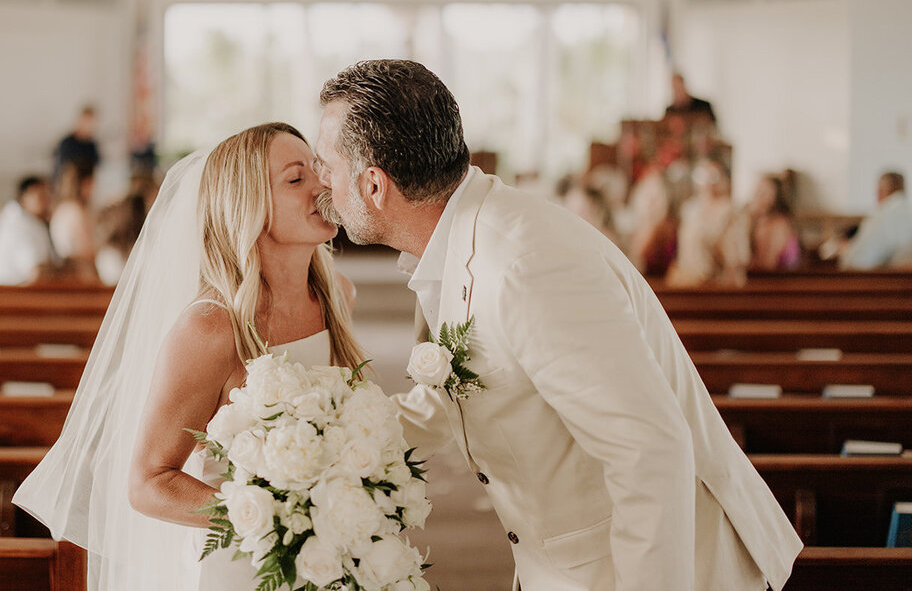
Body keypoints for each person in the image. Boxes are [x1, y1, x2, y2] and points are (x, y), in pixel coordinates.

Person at [314, 60, 801, 591]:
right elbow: (461, 391)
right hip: (570, 565)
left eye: (326, 165)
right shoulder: (458, 242)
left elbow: (649, 451)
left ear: (374, 185)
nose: (321, 180)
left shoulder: (526, 266)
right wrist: (312, 441)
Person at [13, 122, 366, 591]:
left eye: (318, 171)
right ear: (249, 205)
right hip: (251, 562)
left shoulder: (338, 296)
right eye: (296, 178)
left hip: (336, 552)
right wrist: (272, 517)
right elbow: (148, 482)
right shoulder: (211, 327)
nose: (322, 186)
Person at [666, 158, 750, 287]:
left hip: (714, 284)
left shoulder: (730, 212)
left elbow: (734, 257)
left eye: (713, 177)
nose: (708, 183)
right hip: (687, 281)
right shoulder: (690, 208)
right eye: (703, 177)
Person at [0, 175, 59, 286]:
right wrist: (62, 268)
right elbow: (36, 272)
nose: (47, 202)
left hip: (9, 292)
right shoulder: (20, 223)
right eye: (41, 197)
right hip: (9, 295)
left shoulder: (23, 218)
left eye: (48, 196)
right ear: (23, 198)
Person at [841, 171, 912, 269]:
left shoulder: (884, 213)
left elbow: (858, 261)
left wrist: (845, 251)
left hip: (886, 279)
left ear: (881, 191)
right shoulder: (907, 209)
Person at [748, 174, 801, 272]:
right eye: (756, 191)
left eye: (763, 193)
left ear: (774, 198)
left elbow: (767, 264)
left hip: (777, 282)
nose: (756, 196)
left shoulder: (779, 224)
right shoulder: (756, 221)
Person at [50, 162, 99, 270]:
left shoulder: (61, 208)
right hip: (80, 269)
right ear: (85, 184)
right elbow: (86, 249)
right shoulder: (75, 211)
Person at [53, 105, 101, 181]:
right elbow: (63, 170)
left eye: (92, 123)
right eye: (87, 121)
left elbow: (97, 166)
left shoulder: (92, 145)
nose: (90, 126)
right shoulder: (67, 144)